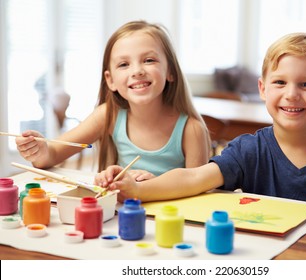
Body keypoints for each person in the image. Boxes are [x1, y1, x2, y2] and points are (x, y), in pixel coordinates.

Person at [95, 32, 306, 214]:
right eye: (279, 82)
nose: (291, 94)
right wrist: (138, 189)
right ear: (262, 89)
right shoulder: (248, 150)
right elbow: (194, 177)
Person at [15, 20, 210, 181]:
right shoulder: (109, 115)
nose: (137, 71)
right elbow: (52, 154)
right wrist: (39, 151)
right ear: (111, 80)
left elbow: (198, 191)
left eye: (149, 60)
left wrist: (154, 186)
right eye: (124, 64)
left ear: (170, 72)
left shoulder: (191, 130)